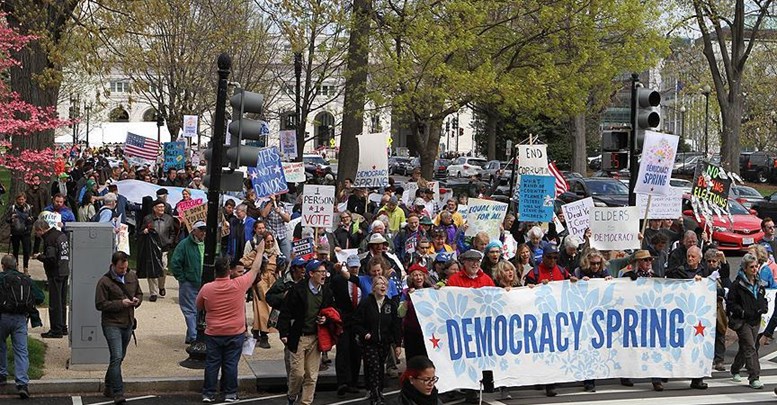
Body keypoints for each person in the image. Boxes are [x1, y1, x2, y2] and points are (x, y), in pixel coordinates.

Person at [197, 241, 265, 403]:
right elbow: (255, 269)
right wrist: (260, 252)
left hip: (213, 332)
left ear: (215, 272)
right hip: (235, 332)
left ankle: (208, 393)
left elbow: (199, 305)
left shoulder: (207, 288)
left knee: (212, 364)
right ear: (229, 271)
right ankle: (230, 393)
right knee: (230, 364)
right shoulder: (239, 284)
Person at [278, 260, 335, 405]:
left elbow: (331, 311)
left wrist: (325, 319)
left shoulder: (326, 291)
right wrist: (284, 333)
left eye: (325, 272)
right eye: (320, 272)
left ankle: (306, 402)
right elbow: (285, 312)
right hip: (299, 337)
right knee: (297, 373)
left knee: (312, 375)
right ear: (311, 274)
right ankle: (292, 395)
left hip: (316, 337)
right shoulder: (298, 290)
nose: (324, 275)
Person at [95, 251, 143, 405]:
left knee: (119, 357)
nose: (124, 271)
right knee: (116, 356)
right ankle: (118, 392)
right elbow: (100, 304)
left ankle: (108, 386)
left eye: (125, 268)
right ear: (113, 265)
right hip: (112, 324)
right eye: (121, 268)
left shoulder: (132, 276)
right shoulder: (104, 282)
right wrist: (120, 304)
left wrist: (137, 301)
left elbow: (139, 293)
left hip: (128, 323)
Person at [0, 255, 44, 399]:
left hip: (3, 317)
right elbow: (40, 297)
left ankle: (2, 375)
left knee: (1, 346)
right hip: (20, 318)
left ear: (3, 266)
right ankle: (22, 383)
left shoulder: (2, 278)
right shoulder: (26, 279)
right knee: (21, 350)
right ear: (17, 265)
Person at [353, 275, 402, 405]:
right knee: (374, 366)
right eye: (379, 284)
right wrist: (365, 334)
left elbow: (395, 326)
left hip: (384, 342)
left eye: (384, 284)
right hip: (369, 342)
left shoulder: (390, 304)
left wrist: (397, 344)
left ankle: (378, 390)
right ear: (373, 288)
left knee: (380, 367)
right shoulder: (366, 303)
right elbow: (356, 322)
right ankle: (375, 396)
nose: (382, 286)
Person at [728, 253, 767, 389]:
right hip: (742, 321)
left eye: (756, 266)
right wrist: (742, 312)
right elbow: (731, 303)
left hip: (755, 320)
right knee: (750, 348)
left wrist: (764, 307)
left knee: (747, 346)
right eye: (751, 267)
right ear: (745, 268)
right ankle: (754, 377)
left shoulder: (759, 282)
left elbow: (762, 297)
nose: (755, 269)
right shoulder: (737, 284)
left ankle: (735, 368)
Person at [266, 257, 307, 377]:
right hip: (287, 321)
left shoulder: (307, 281)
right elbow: (269, 297)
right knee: (290, 351)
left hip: (301, 320)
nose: (303, 269)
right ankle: (292, 380)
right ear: (294, 269)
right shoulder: (283, 282)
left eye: (304, 266)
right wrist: (283, 297)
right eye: (300, 267)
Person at [331, 255, 364, 397]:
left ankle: (353, 382)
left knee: (356, 351)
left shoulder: (363, 280)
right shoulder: (339, 280)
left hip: (358, 321)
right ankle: (342, 382)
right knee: (343, 350)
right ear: (348, 267)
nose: (354, 269)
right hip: (344, 319)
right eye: (352, 267)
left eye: (356, 266)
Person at [170, 220, 207, 344]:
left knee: (199, 310)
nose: (203, 232)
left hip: (203, 283)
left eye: (204, 230)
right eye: (200, 230)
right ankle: (194, 336)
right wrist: (182, 277)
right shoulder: (184, 244)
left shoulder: (206, 244)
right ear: (194, 230)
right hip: (189, 283)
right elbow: (175, 263)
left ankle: (191, 333)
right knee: (190, 310)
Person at [33, 219, 70, 338]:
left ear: (41, 230)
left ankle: (56, 330)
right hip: (64, 270)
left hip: (55, 273)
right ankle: (63, 326)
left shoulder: (50, 239)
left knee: (55, 303)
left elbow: (51, 259)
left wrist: (39, 256)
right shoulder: (61, 235)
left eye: (37, 232)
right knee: (62, 302)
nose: (37, 234)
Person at [138, 199, 177, 302]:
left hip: (164, 248)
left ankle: (161, 286)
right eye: (159, 207)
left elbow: (172, 232)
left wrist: (169, 241)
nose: (162, 209)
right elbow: (140, 231)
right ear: (154, 208)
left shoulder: (169, 219)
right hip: (151, 248)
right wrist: (144, 231)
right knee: (152, 270)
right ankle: (153, 292)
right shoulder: (147, 219)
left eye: (163, 207)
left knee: (163, 268)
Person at [401, 263, 434, 360]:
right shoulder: (405, 293)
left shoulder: (431, 290)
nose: (418, 277)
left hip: (428, 331)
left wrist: (437, 291)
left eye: (420, 275)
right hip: (411, 332)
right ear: (411, 278)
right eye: (415, 275)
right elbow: (400, 313)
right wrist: (408, 298)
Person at [5, 193, 34, 273]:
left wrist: (30, 220)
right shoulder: (13, 208)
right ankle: (16, 266)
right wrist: (11, 219)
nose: (21, 201)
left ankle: (26, 268)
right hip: (15, 232)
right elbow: (7, 219)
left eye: (22, 199)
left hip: (26, 232)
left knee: (26, 250)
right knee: (15, 250)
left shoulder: (28, 208)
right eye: (19, 199)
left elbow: (32, 218)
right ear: (17, 200)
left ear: (25, 199)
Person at [260, 195, 292, 260]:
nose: (277, 198)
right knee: (272, 259)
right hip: (271, 237)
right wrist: (271, 202)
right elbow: (263, 214)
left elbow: (288, 219)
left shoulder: (283, 205)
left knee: (287, 258)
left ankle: (283, 269)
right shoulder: (265, 204)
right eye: (275, 196)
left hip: (282, 235)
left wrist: (280, 212)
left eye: (278, 196)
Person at [25, 174, 50, 254]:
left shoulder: (43, 190)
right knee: (28, 233)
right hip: (31, 214)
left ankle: (36, 251)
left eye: (37, 180)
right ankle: (28, 251)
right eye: (34, 180)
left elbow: (47, 202)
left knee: (39, 233)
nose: (36, 181)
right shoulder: (28, 191)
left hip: (40, 213)